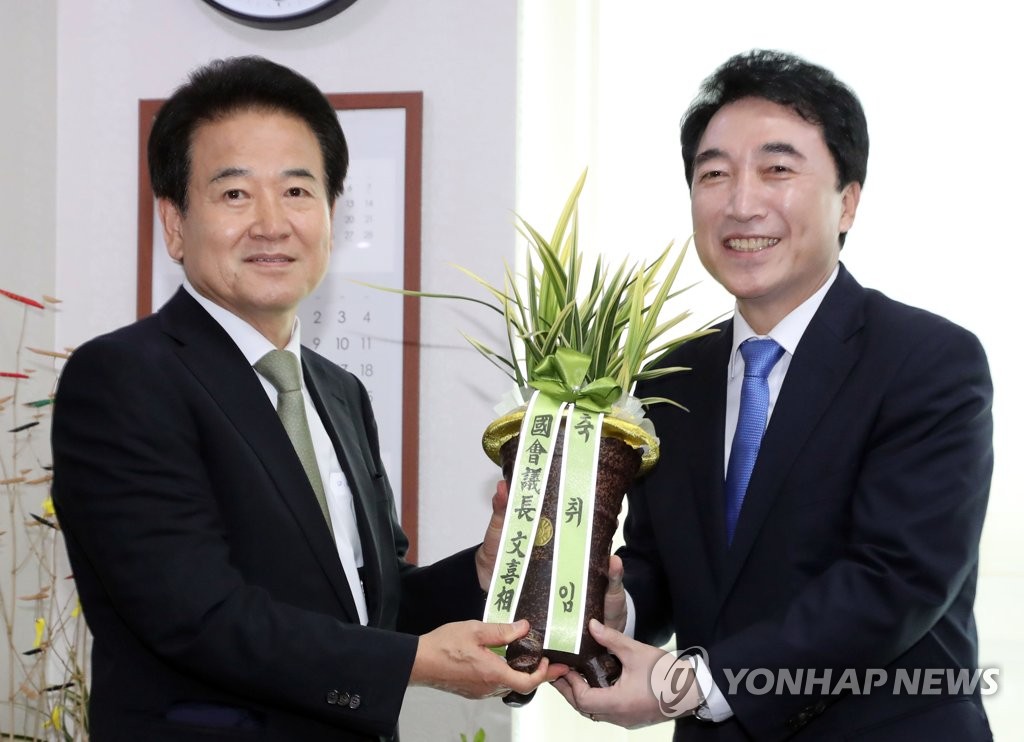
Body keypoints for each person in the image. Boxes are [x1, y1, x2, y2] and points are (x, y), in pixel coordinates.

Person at [51, 56, 555, 742]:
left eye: (296, 190)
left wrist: (482, 572)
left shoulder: (339, 392)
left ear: (330, 215)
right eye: (235, 194)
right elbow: (196, 615)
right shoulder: (122, 377)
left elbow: (365, 608)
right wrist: (412, 664)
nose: (271, 223)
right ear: (173, 222)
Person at [554, 49, 994, 740]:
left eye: (778, 170)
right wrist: (614, 608)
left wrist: (692, 685)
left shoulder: (928, 361)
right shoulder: (669, 379)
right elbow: (663, 565)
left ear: (848, 201)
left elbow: (896, 580)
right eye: (714, 174)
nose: (740, 203)